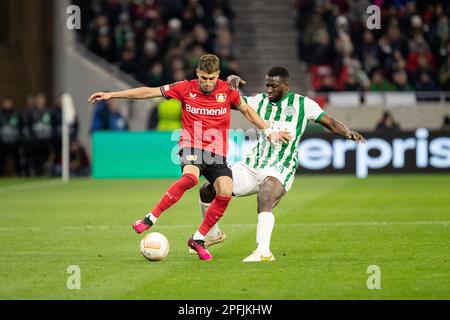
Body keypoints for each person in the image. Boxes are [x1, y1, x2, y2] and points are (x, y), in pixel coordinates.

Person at [88, 54, 290, 260]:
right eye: (204, 78)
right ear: (197, 74)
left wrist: (268, 131)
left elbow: (247, 111)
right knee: (191, 178)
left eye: (212, 79)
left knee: (225, 192)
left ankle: (199, 238)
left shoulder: (227, 91)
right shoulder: (185, 87)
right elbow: (149, 92)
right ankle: (151, 217)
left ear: (218, 75)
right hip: (192, 145)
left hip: (217, 154)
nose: (208, 83)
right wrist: (112, 95)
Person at [196, 67, 366, 262]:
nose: (268, 89)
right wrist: (227, 85)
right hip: (252, 164)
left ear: (285, 85)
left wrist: (347, 132)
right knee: (208, 190)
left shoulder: (303, 104)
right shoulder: (258, 101)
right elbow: (228, 101)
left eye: (273, 86)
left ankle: (263, 251)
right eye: (267, 85)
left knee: (265, 196)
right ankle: (213, 234)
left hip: (281, 166)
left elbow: (329, 122)